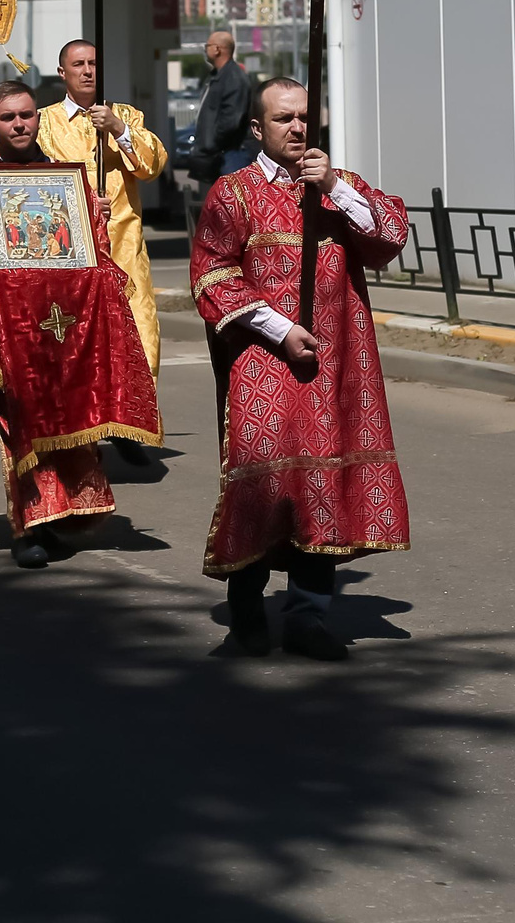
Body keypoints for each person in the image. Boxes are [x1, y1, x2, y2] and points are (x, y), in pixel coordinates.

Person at [191, 77, 414, 660]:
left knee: (322, 484)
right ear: (258, 129)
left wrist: (335, 186)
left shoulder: (339, 187)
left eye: (304, 118)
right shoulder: (233, 193)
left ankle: (309, 616)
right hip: (263, 361)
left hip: (335, 363)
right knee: (264, 483)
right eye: (283, 119)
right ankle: (245, 613)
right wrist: (280, 330)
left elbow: (390, 237)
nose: (296, 128)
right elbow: (213, 276)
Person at [0, 79, 159, 568]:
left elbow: (90, 251)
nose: (19, 124)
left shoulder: (69, 178)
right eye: (7, 118)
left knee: (73, 419)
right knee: (19, 424)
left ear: (37, 116)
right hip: (10, 326)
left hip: (66, 325)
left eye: (26, 115)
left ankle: (66, 516)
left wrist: (93, 219)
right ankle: (29, 524)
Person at [33, 41, 167, 449]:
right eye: (79, 65)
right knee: (75, 337)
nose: (88, 71)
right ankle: (79, 427)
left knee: (137, 332)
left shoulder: (126, 115)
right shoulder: (44, 122)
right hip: (69, 247)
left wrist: (118, 130)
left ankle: (130, 419)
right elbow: (34, 183)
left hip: (123, 242)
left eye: (94, 64)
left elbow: (152, 166)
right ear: (63, 73)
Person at [188, 30, 253, 210]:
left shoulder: (233, 77)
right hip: (216, 156)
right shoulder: (218, 76)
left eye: (207, 46)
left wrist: (210, 143)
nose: (205, 50)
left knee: (232, 208)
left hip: (229, 156)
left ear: (217, 49)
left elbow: (231, 121)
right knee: (214, 210)